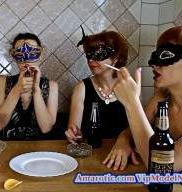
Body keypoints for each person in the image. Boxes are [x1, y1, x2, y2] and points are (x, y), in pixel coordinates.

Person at [111, 26, 182, 171]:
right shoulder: (161, 100)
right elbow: (131, 130)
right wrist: (123, 142)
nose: (153, 63)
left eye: (165, 55)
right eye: (155, 54)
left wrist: (132, 103)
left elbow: (163, 165)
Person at [65, 28, 137, 166]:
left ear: (116, 58)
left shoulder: (128, 88)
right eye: (89, 54)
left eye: (99, 54)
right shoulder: (81, 88)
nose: (91, 59)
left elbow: (137, 126)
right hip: (90, 158)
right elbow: (74, 130)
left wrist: (124, 140)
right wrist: (74, 135)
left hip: (123, 157)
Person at [0, 33, 58, 139]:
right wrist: (17, 89)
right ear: (13, 56)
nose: (26, 60)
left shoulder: (52, 86)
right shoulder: (2, 81)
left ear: (41, 55)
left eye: (33, 52)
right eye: (19, 53)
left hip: (40, 150)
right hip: (8, 147)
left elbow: (46, 128)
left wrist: (36, 89)